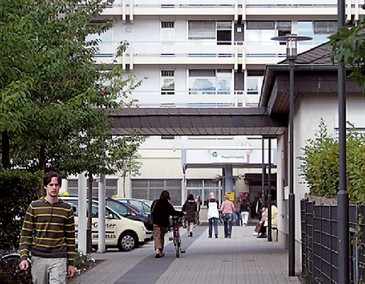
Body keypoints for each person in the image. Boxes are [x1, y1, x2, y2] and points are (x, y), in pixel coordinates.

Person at [19, 171, 76, 283]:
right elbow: (26, 234)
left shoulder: (66, 209)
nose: (54, 188)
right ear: (45, 186)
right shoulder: (34, 207)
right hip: (39, 257)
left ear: (60, 186)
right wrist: (23, 257)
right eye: (51, 185)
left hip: (59, 257)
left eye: (56, 185)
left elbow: (70, 238)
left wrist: (71, 263)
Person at [151, 190, 184, 258]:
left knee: (157, 236)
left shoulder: (155, 202)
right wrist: (181, 213)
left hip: (155, 222)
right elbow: (173, 212)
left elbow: (151, 210)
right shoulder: (168, 205)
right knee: (161, 236)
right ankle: (160, 251)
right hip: (163, 224)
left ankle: (157, 250)